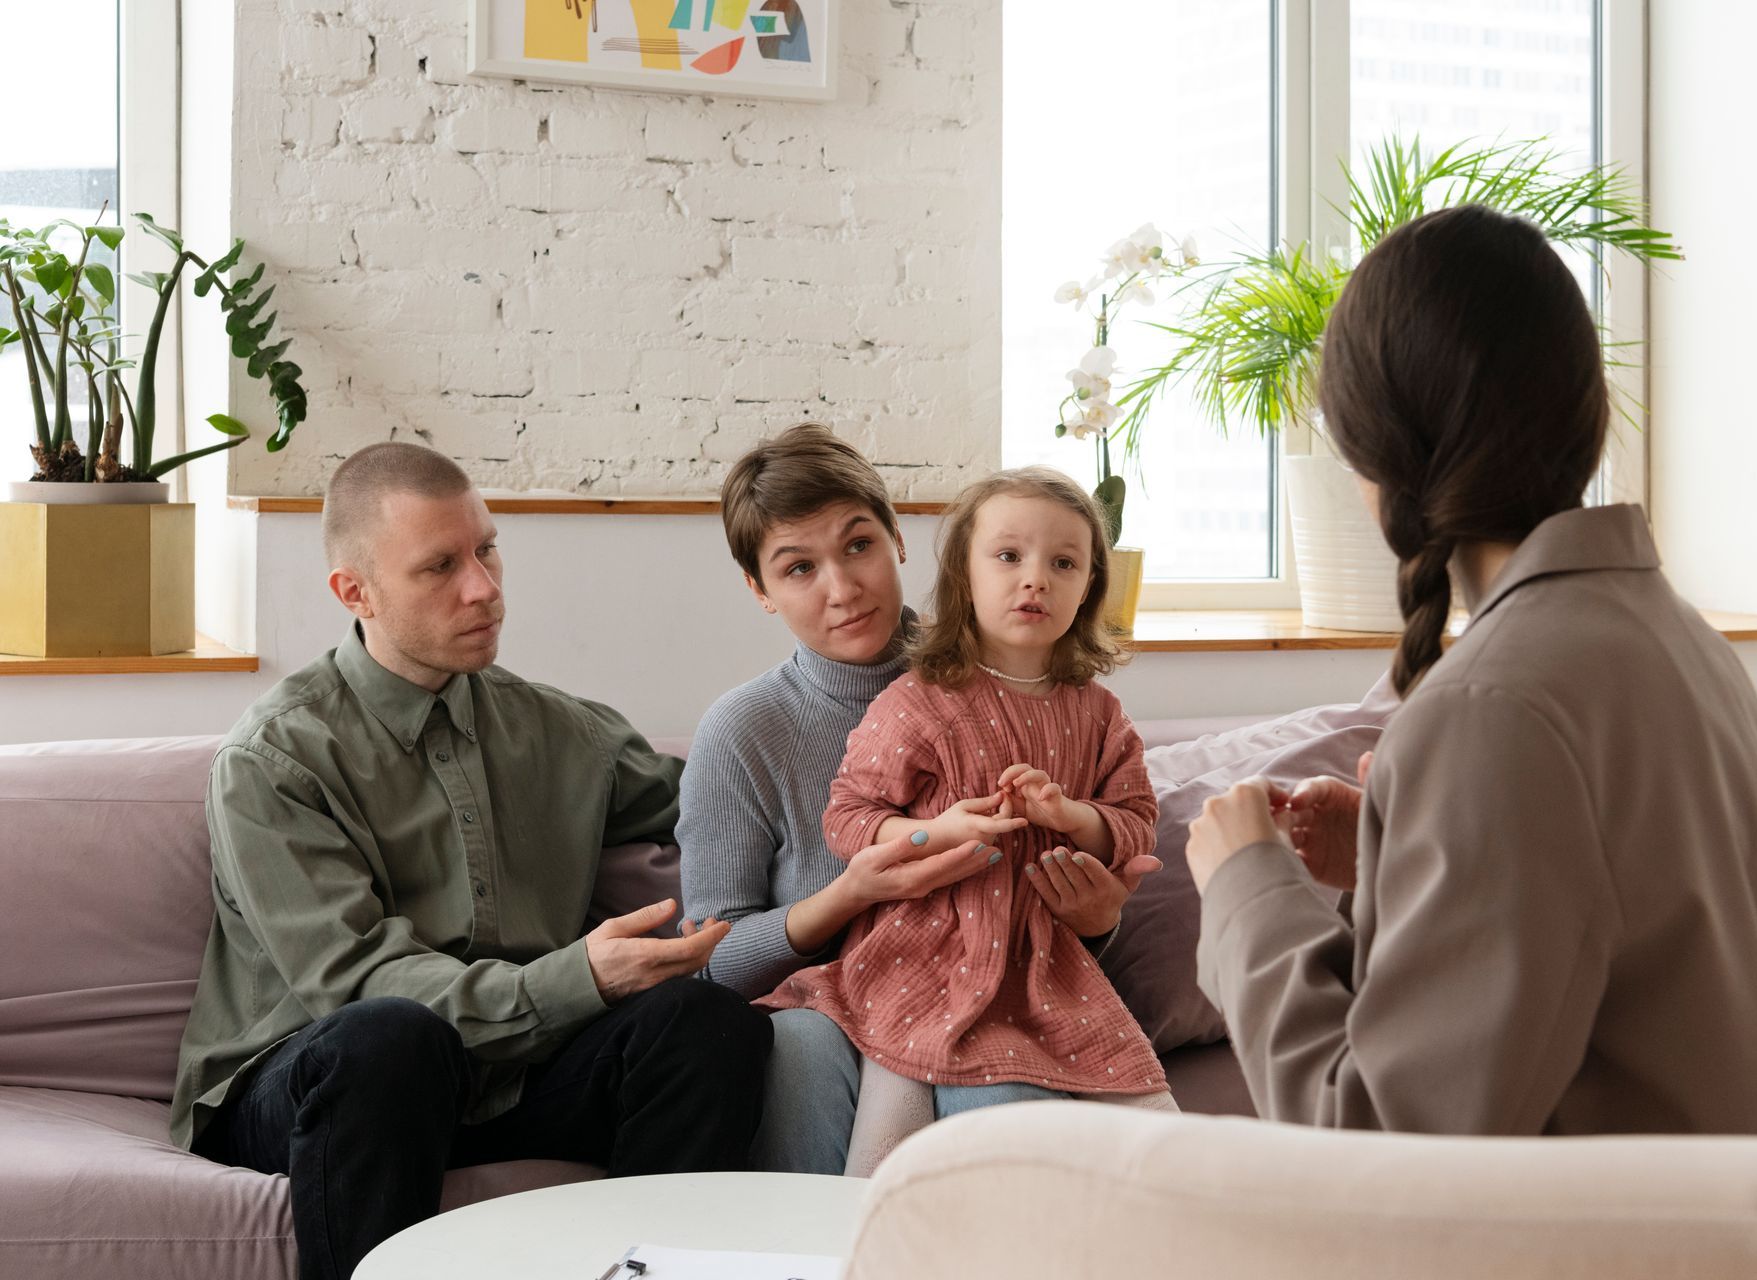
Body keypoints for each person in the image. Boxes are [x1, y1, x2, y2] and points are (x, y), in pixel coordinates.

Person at [1184, 204, 1757, 1137]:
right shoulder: (1679, 639)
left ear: (1376, 448)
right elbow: (1620, 964)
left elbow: (1382, 1148)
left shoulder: (1495, 707)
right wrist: (1389, 863)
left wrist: (1248, 886)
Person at [171, 443, 772, 1280]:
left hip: (510, 1076)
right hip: (326, 1080)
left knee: (709, 1026)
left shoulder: (563, 734)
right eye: (440, 566)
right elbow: (354, 985)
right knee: (390, 1040)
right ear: (356, 592)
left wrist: (896, 777)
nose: (484, 588)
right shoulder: (276, 762)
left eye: (487, 550)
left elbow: (732, 804)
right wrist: (579, 979)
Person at [678, 424, 1158, 1175]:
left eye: (858, 545)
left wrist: (1100, 921)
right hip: (832, 996)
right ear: (759, 591)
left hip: (996, 987)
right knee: (797, 1047)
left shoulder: (1012, 669)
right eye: (799, 568)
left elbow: (1058, 885)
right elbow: (707, 968)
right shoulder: (744, 732)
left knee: (996, 1100)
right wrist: (850, 893)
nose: (842, 588)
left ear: (900, 539)